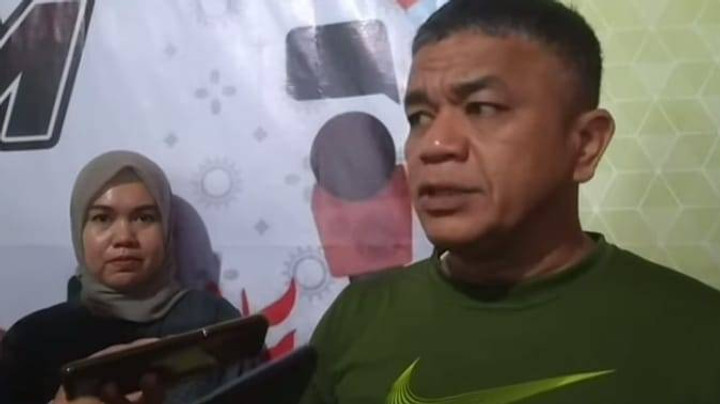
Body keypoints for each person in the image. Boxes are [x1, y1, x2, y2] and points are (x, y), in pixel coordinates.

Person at [301, 0, 720, 403]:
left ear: (585, 145)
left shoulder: (698, 332)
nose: (435, 144)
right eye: (420, 117)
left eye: (482, 108)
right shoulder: (358, 317)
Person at [0, 150, 243, 403]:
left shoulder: (214, 322)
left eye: (144, 218)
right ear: (79, 229)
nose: (124, 237)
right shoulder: (33, 339)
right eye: (102, 218)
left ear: (167, 228)